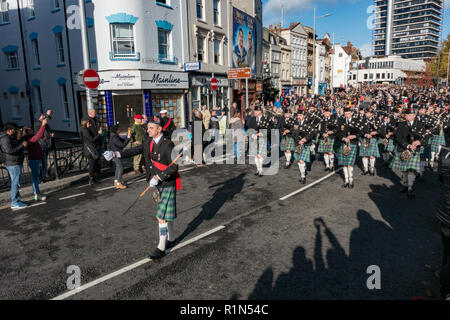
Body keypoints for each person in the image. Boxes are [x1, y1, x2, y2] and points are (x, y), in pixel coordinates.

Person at [118, 116, 181, 260]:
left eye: (151, 127)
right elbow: (136, 150)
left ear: (159, 129)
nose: (148, 130)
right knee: (166, 216)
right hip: (157, 184)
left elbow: (174, 167)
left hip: (166, 183)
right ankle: (171, 239)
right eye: (148, 127)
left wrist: (159, 177)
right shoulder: (148, 142)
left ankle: (161, 247)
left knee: (161, 216)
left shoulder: (168, 145)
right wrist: (117, 153)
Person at [390, 107, 426, 199]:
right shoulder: (401, 124)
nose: (407, 116)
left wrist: (419, 142)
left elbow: (425, 137)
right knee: (404, 169)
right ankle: (405, 185)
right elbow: (399, 137)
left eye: (409, 115)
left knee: (411, 170)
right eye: (406, 115)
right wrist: (408, 145)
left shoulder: (421, 124)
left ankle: (410, 187)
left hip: (414, 150)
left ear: (414, 115)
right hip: (403, 149)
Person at [0, 123, 28, 209]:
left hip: (15, 162)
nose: (15, 130)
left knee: (15, 183)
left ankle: (17, 200)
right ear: (8, 130)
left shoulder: (10, 137)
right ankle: (15, 202)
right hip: (12, 163)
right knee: (15, 183)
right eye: (14, 129)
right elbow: (9, 150)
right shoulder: (5, 139)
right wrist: (22, 145)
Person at [22, 119, 49, 201]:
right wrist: (43, 125)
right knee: (35, 178)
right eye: (30, 130)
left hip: (36, 159)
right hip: (33, 160)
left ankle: (37, 193)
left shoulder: (30, 138)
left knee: (36, 178)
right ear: (26, 132)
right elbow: (39, 135)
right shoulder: (29, 139)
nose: (32, 130)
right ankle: (37, 194)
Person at [337, 107, 362, 189]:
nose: (347, 115)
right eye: (345, 114)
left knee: (350, 164)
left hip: (353, 144)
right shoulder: (341, 122)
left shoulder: (357, 121)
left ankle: (351, 180)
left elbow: (360, 132)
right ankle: (346, 181)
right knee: (344, 164)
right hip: (343, 144)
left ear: (351, 113)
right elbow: (339, 133)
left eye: (348, 114)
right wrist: (343, 138)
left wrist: (354, 136)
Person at [80, 118, 102, 185]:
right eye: (89, 123)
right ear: (85, 124)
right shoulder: (85, 131)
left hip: (90, 149)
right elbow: (92, 139)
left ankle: (93, 178)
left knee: (93, 164)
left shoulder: (86, 129)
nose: (90, 124)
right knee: (92, 165)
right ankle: (91, 179)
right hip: (89, 151)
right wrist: (99, 134)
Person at [108, 124, 131, 189]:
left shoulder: (114, 136)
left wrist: (127, 137)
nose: (119, 130)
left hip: (115, 154)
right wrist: (128, 138)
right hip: (116, 154)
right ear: (116, 131)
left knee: (118, 168)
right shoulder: (114, 137)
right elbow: (122, 145)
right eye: (118, 130)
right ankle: (118, 183)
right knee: (120, 168)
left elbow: (122, 141)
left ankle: (116, 181)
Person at [87, 108, 102, 177]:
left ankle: (97, 172)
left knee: (97, 158)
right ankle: (92, 175)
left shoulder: (95, 119)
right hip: (93, 142)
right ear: (90, 113)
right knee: (93, 161)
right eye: (94, 113)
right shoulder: (88, 120)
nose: (95, 114)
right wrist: (98, 134)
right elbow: (90, 132)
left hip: (97, 140)